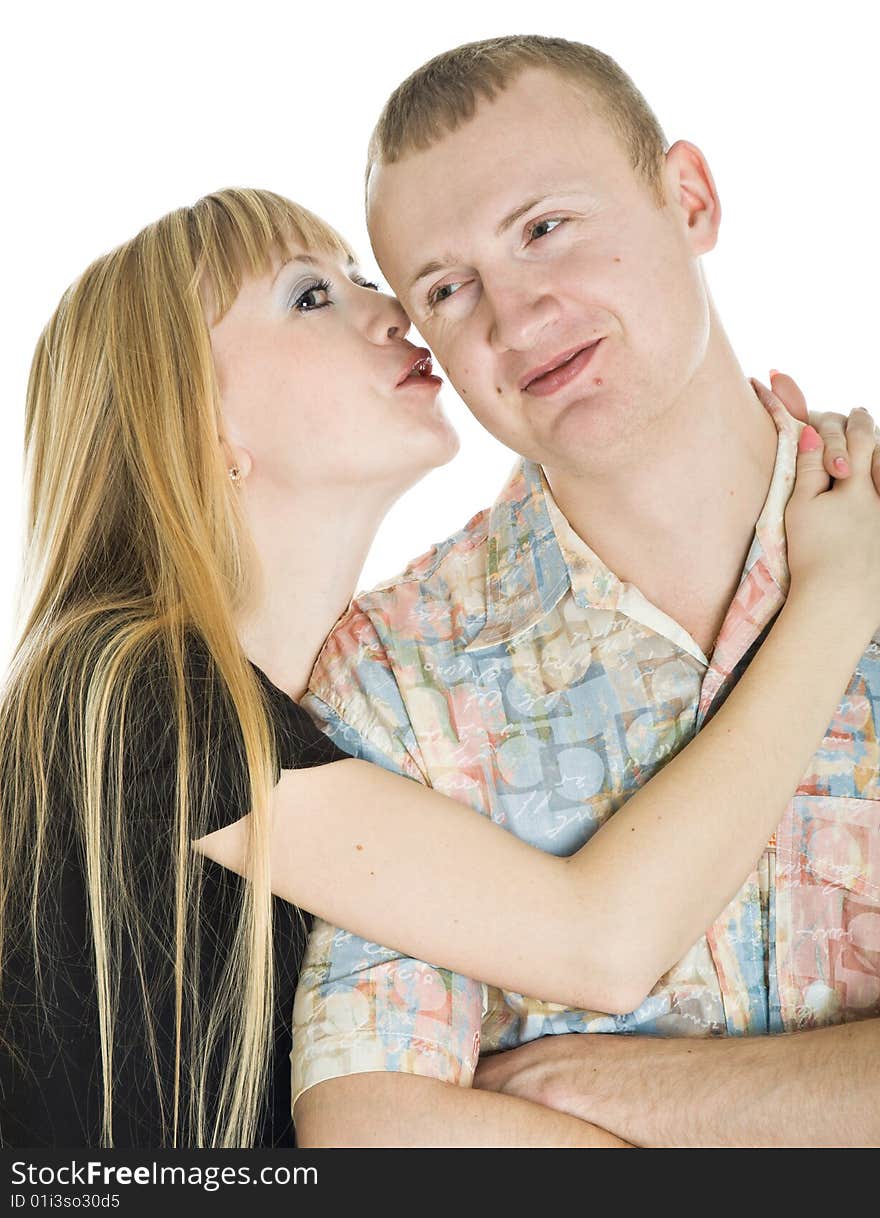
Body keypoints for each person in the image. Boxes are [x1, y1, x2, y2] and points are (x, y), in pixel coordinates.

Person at [0, 186, 870, 1149]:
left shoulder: (336, 707)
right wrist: (838, 596)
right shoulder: (125, 695)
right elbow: (601, 941)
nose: (395, 312)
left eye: (363, 279)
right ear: (202, 427)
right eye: (310, 297)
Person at [291, 36, 880, 1148]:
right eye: (449, 289)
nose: (513, 321)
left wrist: (617, 1100)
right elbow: (378, 1138)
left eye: (545, 228)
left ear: (690, 199)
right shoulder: (392, 675)